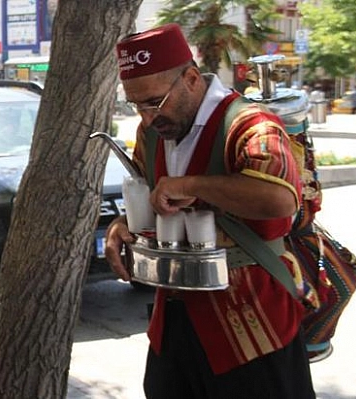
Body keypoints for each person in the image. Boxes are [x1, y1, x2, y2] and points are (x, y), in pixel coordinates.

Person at [107, 23, 315, 398]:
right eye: (137, 104)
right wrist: (124, 224)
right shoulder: (152, 132)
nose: (148, 116)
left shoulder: (250, 124)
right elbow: (153, 195)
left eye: (154, 102)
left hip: (253, 328)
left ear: (190, 78)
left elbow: (281, 200)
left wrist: (190, 185)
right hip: (173, 325)